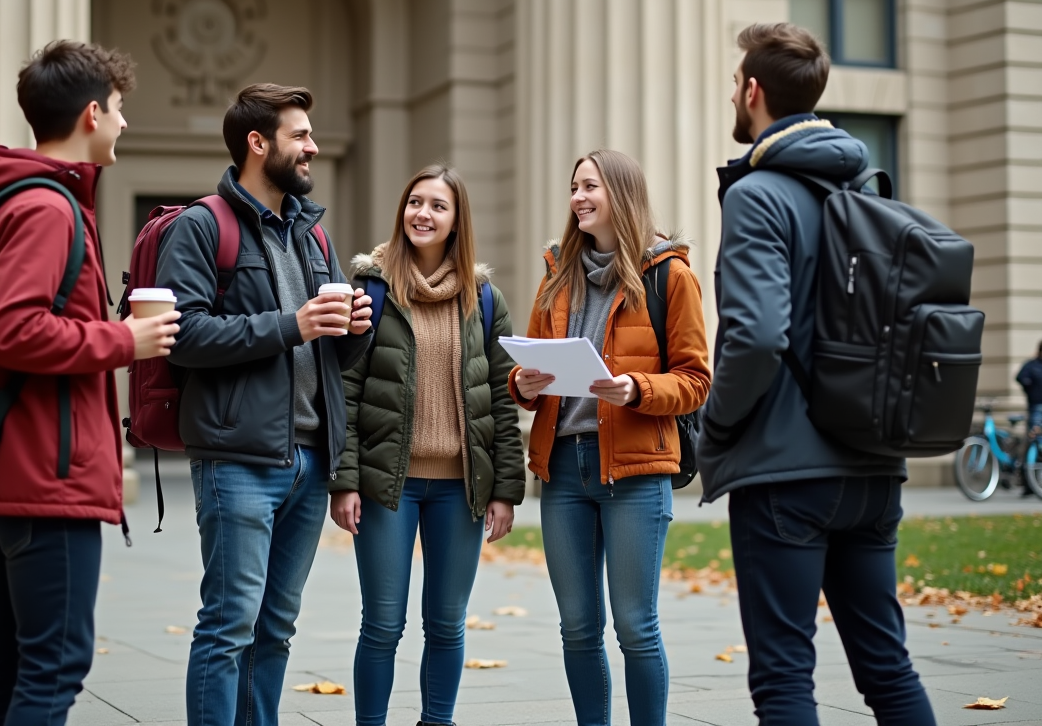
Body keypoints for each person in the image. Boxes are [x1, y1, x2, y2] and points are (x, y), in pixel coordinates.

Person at [696, 23, 936, 726]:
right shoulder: (864, 185)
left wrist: (717, 425)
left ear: (752, 91)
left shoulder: (758, 194)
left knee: (783, 679)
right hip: (873, 466)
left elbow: (758, 335)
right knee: (889, 670)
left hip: (786, 476)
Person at [0, 41, 181, 725]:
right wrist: (126, 341)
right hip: (48, 482)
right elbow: (13, 331)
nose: (122, 124)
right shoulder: (47, 210)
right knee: (53, 667)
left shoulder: (25, 202)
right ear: (92, 112)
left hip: (24, 472)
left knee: (8, 660)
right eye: (118, 110)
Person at [155, 83, 373, 726]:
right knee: (229, 625)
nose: (313, 146)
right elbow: (183, 335)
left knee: (275, 628)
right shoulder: (202, 227)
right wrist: (294, 324)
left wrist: (350, 333)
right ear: (258, 143)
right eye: (300, 135)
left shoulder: (314, 237)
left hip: (306, 461)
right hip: (236, 460)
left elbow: (326, 358)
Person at [509, 149, 710, 726]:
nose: (577, 198)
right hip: (564, 471)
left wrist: (636, 389)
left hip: (635, 472)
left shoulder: (670, 275)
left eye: (590, 187)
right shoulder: (557, 273)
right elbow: (528, 373)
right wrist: (523, 382)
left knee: (634, 626)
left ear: (620, 195)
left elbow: (695, 381)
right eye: (574, 187)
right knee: (577, 625)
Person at [329, 164, 525, 726]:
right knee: (383, 624)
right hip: (388, 484)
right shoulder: (370, 289)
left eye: (438, 206)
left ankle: (437, 721)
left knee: (446, 623)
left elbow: (501, 398)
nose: (423, 214)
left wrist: (506, 489)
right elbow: (344, 388)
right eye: (416, 202)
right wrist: (344, 481)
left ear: (457, 219)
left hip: (459, 489)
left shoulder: (484, 299)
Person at [1016, 342, 1042, 433]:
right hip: (1037, 404)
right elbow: (1021, 377)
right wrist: (1031, 389)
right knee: (1035, 432)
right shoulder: (1032, 365)